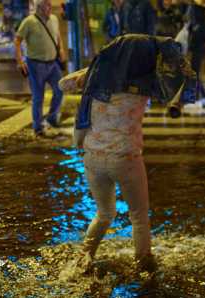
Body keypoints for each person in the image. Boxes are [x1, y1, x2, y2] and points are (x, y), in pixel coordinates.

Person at [58, 34, 195, 272]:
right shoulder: (145, 86)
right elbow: (178, 82)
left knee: (104, 214)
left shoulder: (95, 81)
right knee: (139, 217)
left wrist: (95, 67)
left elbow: (63, 84)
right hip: (126, 159)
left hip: (93, 158)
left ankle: (84, 258)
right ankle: (143, 266)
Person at [14, 0, 65, 137]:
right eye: (46, 5)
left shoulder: (54, 19)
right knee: (38, 97)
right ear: (39, 7)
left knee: (60, 89)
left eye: (50, 5)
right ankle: (38, 127)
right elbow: (17, 41)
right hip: (35, 65)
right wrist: (20, 61)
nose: (49, 8)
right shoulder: (29, 22)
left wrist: (61, 50)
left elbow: (57, 35)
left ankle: (52, 118)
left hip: (53, 64)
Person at [183, 4, 205, 109]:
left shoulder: (201, 24)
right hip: (196, 50)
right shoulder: (198, 23)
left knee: (194, 74)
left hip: (198, 50)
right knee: (195, 74)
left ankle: (196, 100)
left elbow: (200, 38)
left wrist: (193, 31)